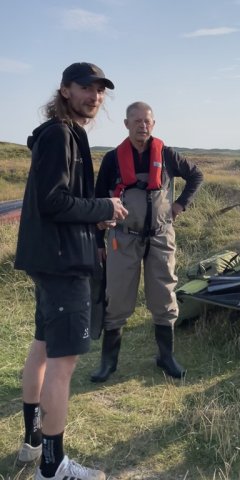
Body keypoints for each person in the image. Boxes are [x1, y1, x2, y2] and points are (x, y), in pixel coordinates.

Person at [14, 63, 128, 479]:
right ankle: (53, 466)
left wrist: (92, 219)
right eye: (85, 88)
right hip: (64, 264)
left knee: (42, 348)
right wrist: (104, 207)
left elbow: (57, 205)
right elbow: (53, 201)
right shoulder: (61, 134)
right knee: (62, 365)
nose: (94, 96)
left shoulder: (57, 134)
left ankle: (31, 445)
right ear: (64, 90)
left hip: (50, 259)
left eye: (99, 90)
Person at [90, 101, 203, 383]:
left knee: (165, 297)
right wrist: (98, 241)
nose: (143, 125)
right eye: (137, 121)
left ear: (153, 124)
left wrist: (180, 205)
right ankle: (109, 363)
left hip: (161, 237)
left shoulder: (166, 155)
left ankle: (166, 358)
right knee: (116, 298)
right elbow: (97, 200)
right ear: (126, 124)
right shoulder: (113, 158)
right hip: (123, 238)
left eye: (147, 121)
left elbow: (196, 176)